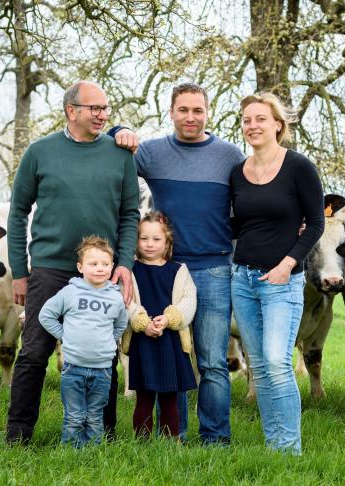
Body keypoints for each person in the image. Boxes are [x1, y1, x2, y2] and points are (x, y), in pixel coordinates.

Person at [5, 81, 140, 445]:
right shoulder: (40, 152)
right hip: (49, 268)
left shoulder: (120, 155)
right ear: (71, 111)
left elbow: (130, 214)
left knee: (103, 354)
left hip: (101, 271)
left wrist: (123, 263)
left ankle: (103, 435)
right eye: (94, 108)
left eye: (105, 108)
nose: (102, 115)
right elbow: (17, 213)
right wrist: (20, 271)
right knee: (33, 352)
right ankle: (18, 436)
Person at [114, 83, 245, 444]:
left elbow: (254, 197)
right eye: (183, 110)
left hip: (214, 268)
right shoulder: (153, 153)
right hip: (165, 272)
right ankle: (177, 436)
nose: (191, 117)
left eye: (198, 110)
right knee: (174, 357)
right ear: (171, 112)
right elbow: (114, 157)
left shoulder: (230, 155)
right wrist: (117, 131)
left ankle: (215, 438)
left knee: (212, 362)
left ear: (208, 112)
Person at [229, 92, 324, 455]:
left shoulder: (299, 167)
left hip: (282, 282)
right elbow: (237, 225)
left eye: (260, 119)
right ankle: (275, 446)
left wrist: (288, 264)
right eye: (247, 120)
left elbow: (315, 223)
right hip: (244, 280)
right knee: (260, 367)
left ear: (278, 125)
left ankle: (290, 449)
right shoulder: (238, 172)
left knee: (276, 361)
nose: (253, 125)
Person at [38, 236, 128, 447]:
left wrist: (108, 342)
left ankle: (92, 453)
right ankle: (70, 451)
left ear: (112, 266)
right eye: (93, 264)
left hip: (102, 369)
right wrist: (64, 336)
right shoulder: (70, 292)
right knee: (75, 416)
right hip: (73, 367)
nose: (100, 269)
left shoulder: (115, 298)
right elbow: (46, 315)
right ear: (80, 267)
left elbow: (121, 325)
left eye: (105, 264)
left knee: (95, 416)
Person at [120, 212, 198, 438]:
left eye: (156, 239)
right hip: (143, 341)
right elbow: (126, 301)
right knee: (143, 398)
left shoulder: (178, 270)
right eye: (144, 239)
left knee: (169, 398)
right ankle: (142, 443)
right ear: (136, 241)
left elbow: (189, 299)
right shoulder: (131, 271)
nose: (150, 244)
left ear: (167, 242)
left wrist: (169, 318)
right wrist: (142, 323)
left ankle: (170, 441)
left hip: (170, 341)